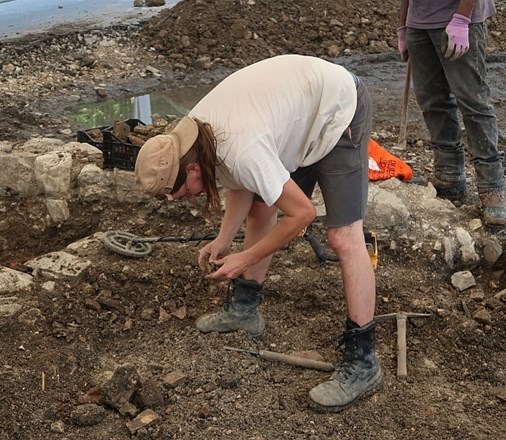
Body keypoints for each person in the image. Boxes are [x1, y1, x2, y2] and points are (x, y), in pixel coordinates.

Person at [134, 54, 380, 411]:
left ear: (191, 168)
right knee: (262, 207)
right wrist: (222, 240)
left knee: (343, 237)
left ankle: (363, 361)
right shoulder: (200, 138)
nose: (180, 198)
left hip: (338, 111)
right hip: (302, 113)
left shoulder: (239, 147)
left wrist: (245, 257)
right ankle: (245, 309)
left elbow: (301, 215)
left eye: (179, 190)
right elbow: (241, 184)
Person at [397, 0, 506, 225]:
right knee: (432, 100)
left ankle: (492, 187)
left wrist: (462, 18)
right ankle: (449, 176)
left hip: (459, 19)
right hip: (419, 23)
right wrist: (404, 24)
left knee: (473, 102)